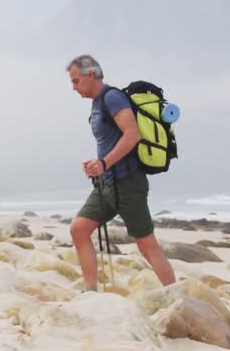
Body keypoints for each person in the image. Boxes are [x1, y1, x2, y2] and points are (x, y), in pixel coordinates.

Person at [66, 54, 176, 290]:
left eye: (76, 81)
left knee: (147, 245)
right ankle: (90, 291)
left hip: (128, 184)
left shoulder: (112, 97)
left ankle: (176, 296)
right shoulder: (96, 103)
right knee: (79, 230)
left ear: (91, 75)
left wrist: (104, 163)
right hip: (106, 184)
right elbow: (110, 140)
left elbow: (132, 135)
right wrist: (97, 165)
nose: (73, 88)